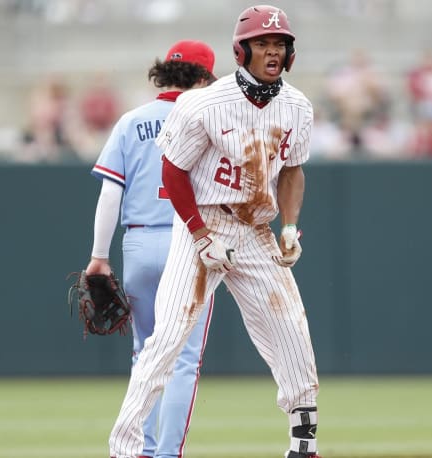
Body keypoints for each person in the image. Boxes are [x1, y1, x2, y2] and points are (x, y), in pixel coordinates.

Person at [109, 5, 321, 458]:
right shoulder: (203, 101)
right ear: (241, 50)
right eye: (262, 44)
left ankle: (303, 446)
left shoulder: (298, 106)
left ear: (290, 54)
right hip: (203, 224)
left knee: (293, 336)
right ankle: (124, 449)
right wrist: (201, 234)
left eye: (279, 44)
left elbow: (292, 171)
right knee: (165, 341)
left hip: (257, 229)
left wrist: (290, 226)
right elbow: (173, 172)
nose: (271, 51)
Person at [86, 40, 217, 458]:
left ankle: (139, 449)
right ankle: (167, 453)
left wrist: (99, 256)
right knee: (182, 360)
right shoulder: (211, 122)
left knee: (146, 354)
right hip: (190, 243)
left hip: (139, 241)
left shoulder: (131, 120)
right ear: (202, 78)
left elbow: (110, 195)